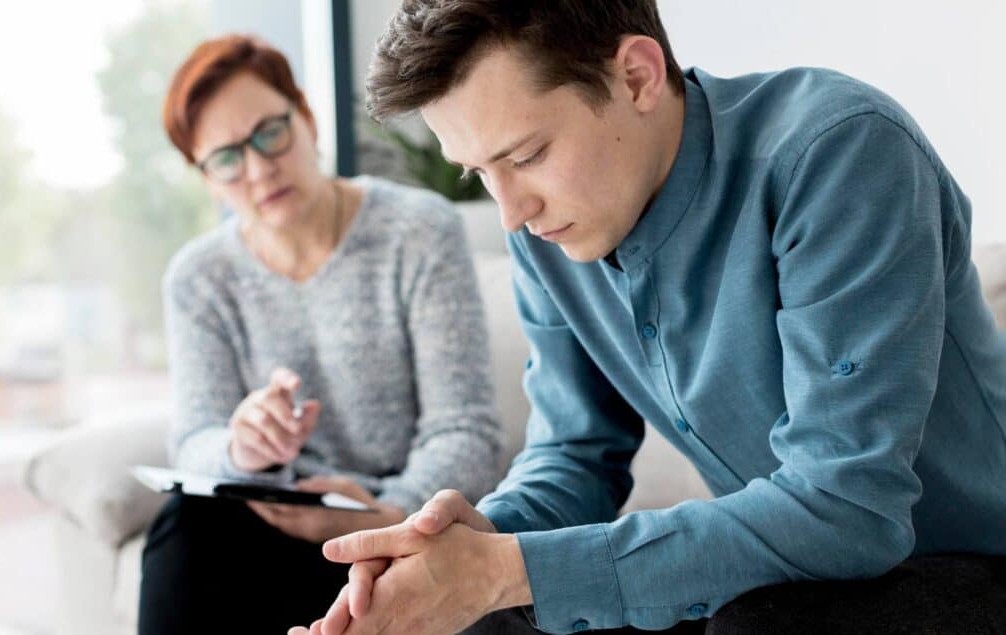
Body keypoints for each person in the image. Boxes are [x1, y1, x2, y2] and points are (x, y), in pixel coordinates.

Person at [283, 1, 1006, 634]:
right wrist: (468, 543)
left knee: (766, 619)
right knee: (487, 617)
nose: (510, 212)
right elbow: (574, 457)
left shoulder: (839, 153)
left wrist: (507, 569)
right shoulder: (547, 233)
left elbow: (847, 507)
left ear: (636, 76)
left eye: (528, 154)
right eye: (479, 173)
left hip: (973, 562)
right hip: (806, 576)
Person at [136, 34, 501, 634]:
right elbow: (194, 440)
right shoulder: (199, 277)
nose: (257, 169)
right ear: (205, 178)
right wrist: (243, 448)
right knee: (183, 525)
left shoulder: (418, 231)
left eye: (268, 134)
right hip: (270, 521)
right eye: (226, 158)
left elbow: (466, 430)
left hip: (392, 521)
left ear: (304, 117)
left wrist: (379, 514)